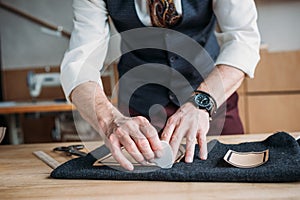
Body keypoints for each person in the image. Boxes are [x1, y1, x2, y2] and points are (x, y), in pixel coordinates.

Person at [60, 0, 260, 171]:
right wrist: (110, 120)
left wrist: (203, 101)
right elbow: (80, 64)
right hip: (140, 109)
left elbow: (243, 39)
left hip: (215, 100)